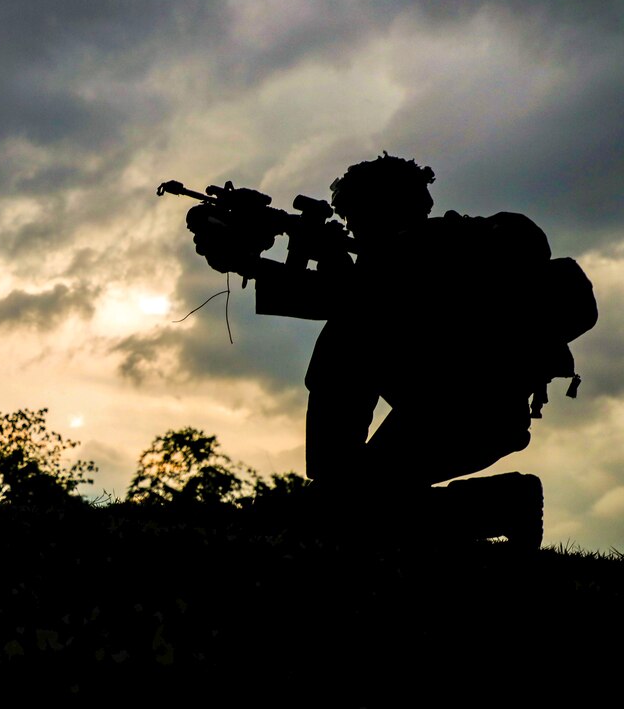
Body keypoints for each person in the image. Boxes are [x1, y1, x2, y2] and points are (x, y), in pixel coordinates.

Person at [188, 153, 595, 547]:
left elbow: (354, 304)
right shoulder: (403, 262)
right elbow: (348, 298)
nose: (355, 231)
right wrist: (253, 264)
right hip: (444, 412)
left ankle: (343, 494)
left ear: (388, 210)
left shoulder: (454, 246)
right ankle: (501, 504)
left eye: (358, 219)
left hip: (470, 417)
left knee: (345, 503)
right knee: (351, 509)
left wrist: (265, 262)